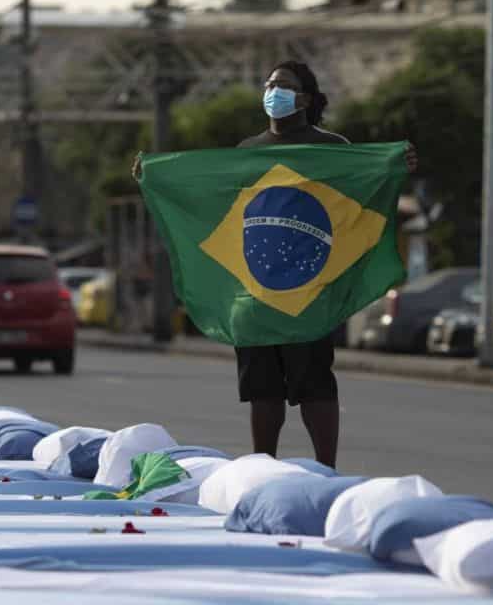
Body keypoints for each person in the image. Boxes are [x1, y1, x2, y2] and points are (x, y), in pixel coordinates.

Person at [137, 61, 416, 468]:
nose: (272, 90)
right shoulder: (247, 152)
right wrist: (156, 176)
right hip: (255, 292)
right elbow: (211, 197)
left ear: (304, 98)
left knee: (315, 386)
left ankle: (326, 471)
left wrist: (395, 165)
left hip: (309, 290)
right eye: (269, 84)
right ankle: (262, 468)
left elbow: (363, 190)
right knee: (262, 390)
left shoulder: (331, 147)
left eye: (282, 85)